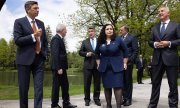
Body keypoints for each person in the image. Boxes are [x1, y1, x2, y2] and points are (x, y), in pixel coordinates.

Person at [13, 1, 47, 108]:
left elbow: (45, 41)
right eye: (35, 8)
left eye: (38, 8)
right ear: (28, 10)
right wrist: (33, 36)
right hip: (24, 60)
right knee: (24, 89)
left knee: (39, 88)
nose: (38, 10)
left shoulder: (41, 23)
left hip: (39, 60)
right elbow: (18, 40)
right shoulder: (19, 22)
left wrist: (44, 54)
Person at [148, 6, 180, 108]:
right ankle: (152, 105)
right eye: (158, 11)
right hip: (157, 59)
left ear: (168, 13)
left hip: (171, 59)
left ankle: (173, 105)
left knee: (173, 85)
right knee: (155, 84)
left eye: (162, 11)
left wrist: (169, 43)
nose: (159, 13)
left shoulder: (176, 26)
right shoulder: (154, 28)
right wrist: (154, 44)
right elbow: (150, 41)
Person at [96, 24, 128, 108]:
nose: (109, 30)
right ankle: (108, 105)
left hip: (117, 67)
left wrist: (125, 63)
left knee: (118, 87)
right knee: (107, 87)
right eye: (107, 29)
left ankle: (118, 106)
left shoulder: (118, 39)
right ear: (104, 31)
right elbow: (96, 53)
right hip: (105, 68)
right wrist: (98, 63)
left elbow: (125, 51)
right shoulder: (100, 41)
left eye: (111, 29)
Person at [51, 24, 77, 108]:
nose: (66, 31)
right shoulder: (56, 39)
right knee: (56, 87)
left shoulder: (60, 39)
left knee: (65, 85)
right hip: (58, 68)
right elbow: (55, 54)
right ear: (62, 30)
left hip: (62, 68)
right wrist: (58, 68)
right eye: (65, 30)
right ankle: (54, 105)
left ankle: (66, 103)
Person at [79, 26, 101, 106]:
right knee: (87, 83)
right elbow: (80, 52)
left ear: (94, 32)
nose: (90, 33)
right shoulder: (85, 42)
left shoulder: (99, 41)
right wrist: (86, 54)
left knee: (97, 83)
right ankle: (87, 99)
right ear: (88, 33)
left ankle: (96, 99)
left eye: (92, 31)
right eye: (89, 31)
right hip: (87, 66)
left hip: (98, 65)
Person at [119, 25, 138, 106]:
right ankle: (124, 98)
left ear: (126, 30)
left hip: (128, 63)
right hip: (119, 63)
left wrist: (129, 60)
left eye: (121, 30)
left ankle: (128, 99)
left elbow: (135, 50)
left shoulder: (132, 37)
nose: (120, 31)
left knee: (128, 81)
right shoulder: (119, 38)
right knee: (122, 81)